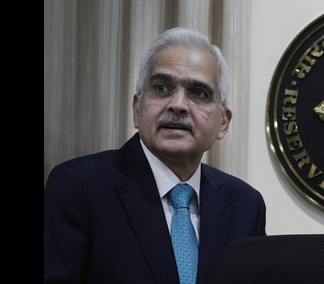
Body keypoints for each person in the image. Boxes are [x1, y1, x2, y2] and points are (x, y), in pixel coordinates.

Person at [44, 27, 267, 284]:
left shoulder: (245, 205)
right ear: (137, 110)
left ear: (223, 123)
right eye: (162, 88)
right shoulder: (78, 186)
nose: (178, 105)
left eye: (198, 93)